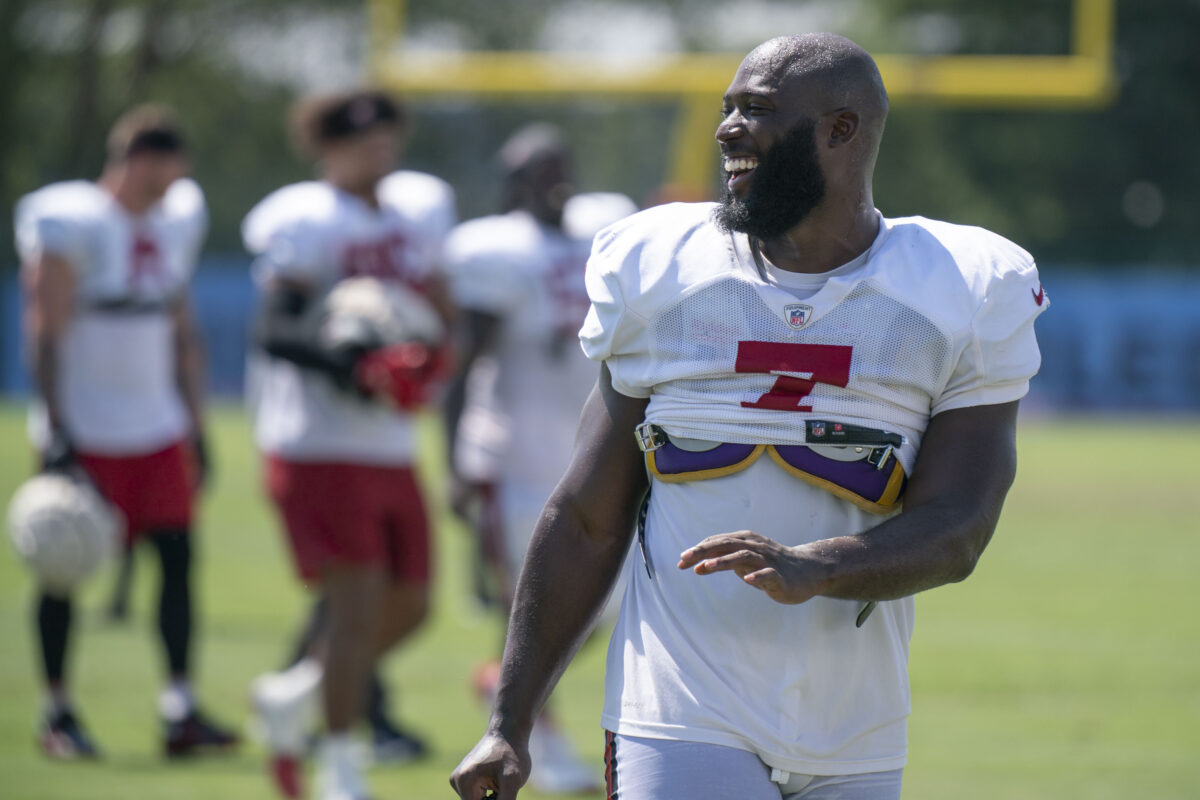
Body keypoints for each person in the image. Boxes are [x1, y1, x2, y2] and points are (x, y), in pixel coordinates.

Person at [451, 32, 1048, 800]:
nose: (728, 129)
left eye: (757, 110)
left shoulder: (963, 284)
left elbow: (960, 523)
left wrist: (818, 566)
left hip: (855, 723)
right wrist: (510, 719)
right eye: (728, 108)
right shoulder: (662, 266)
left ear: (841, 129)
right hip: (677, 710)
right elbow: (586, 517)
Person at [242, 89, 456, 800]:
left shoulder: (412, 213)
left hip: (389, 442)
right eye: (364, 143)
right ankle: (336, 763)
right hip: (318, 441)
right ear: (326, 148)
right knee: (356, 606)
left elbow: (433, 305)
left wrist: (432, 352)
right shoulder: (303, 218)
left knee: (415, 603)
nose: (380, 153)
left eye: (387, 139)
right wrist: (355, 364)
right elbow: (275, 329)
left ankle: (299, 694)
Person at [14, 104, 238, 760]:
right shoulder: (74, 221)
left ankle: (180, 708)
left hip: (156, 424)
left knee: (177, 563)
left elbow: (181, 324)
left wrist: (195, 423)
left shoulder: (172, 222)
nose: (177, 182)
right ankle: (57, 711)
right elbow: (44, 328)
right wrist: (56, 428)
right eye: (169, 167)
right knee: (63, 567)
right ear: (140, 160)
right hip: (87, 425)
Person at [442, 123, 637, 795]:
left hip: (587, 453)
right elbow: (466, 363)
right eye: (538, 169)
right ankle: (539, 744)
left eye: (561, 162)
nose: (556, 178)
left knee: (603, 605)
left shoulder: (604, 227)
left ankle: (505, 684)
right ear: (515, 183)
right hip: (514, 457)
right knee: (534, 606)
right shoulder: (496, 250)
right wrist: (454, 461)